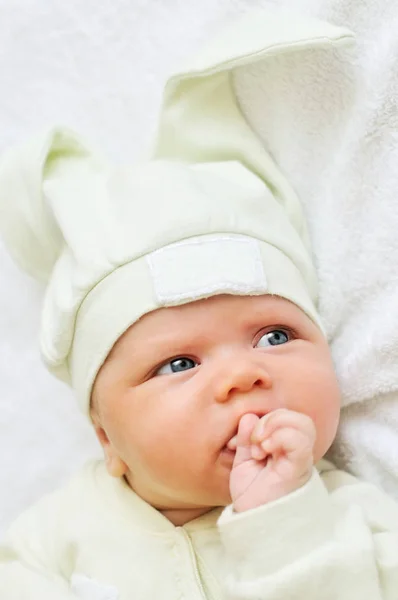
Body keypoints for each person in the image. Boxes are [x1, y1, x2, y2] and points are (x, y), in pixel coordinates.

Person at [1, 9, 397, 600]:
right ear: (107, 438)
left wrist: (285, 525)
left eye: (275, 336)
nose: (244, 374)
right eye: (180, 364)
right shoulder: (50, 540)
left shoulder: (360, 522)